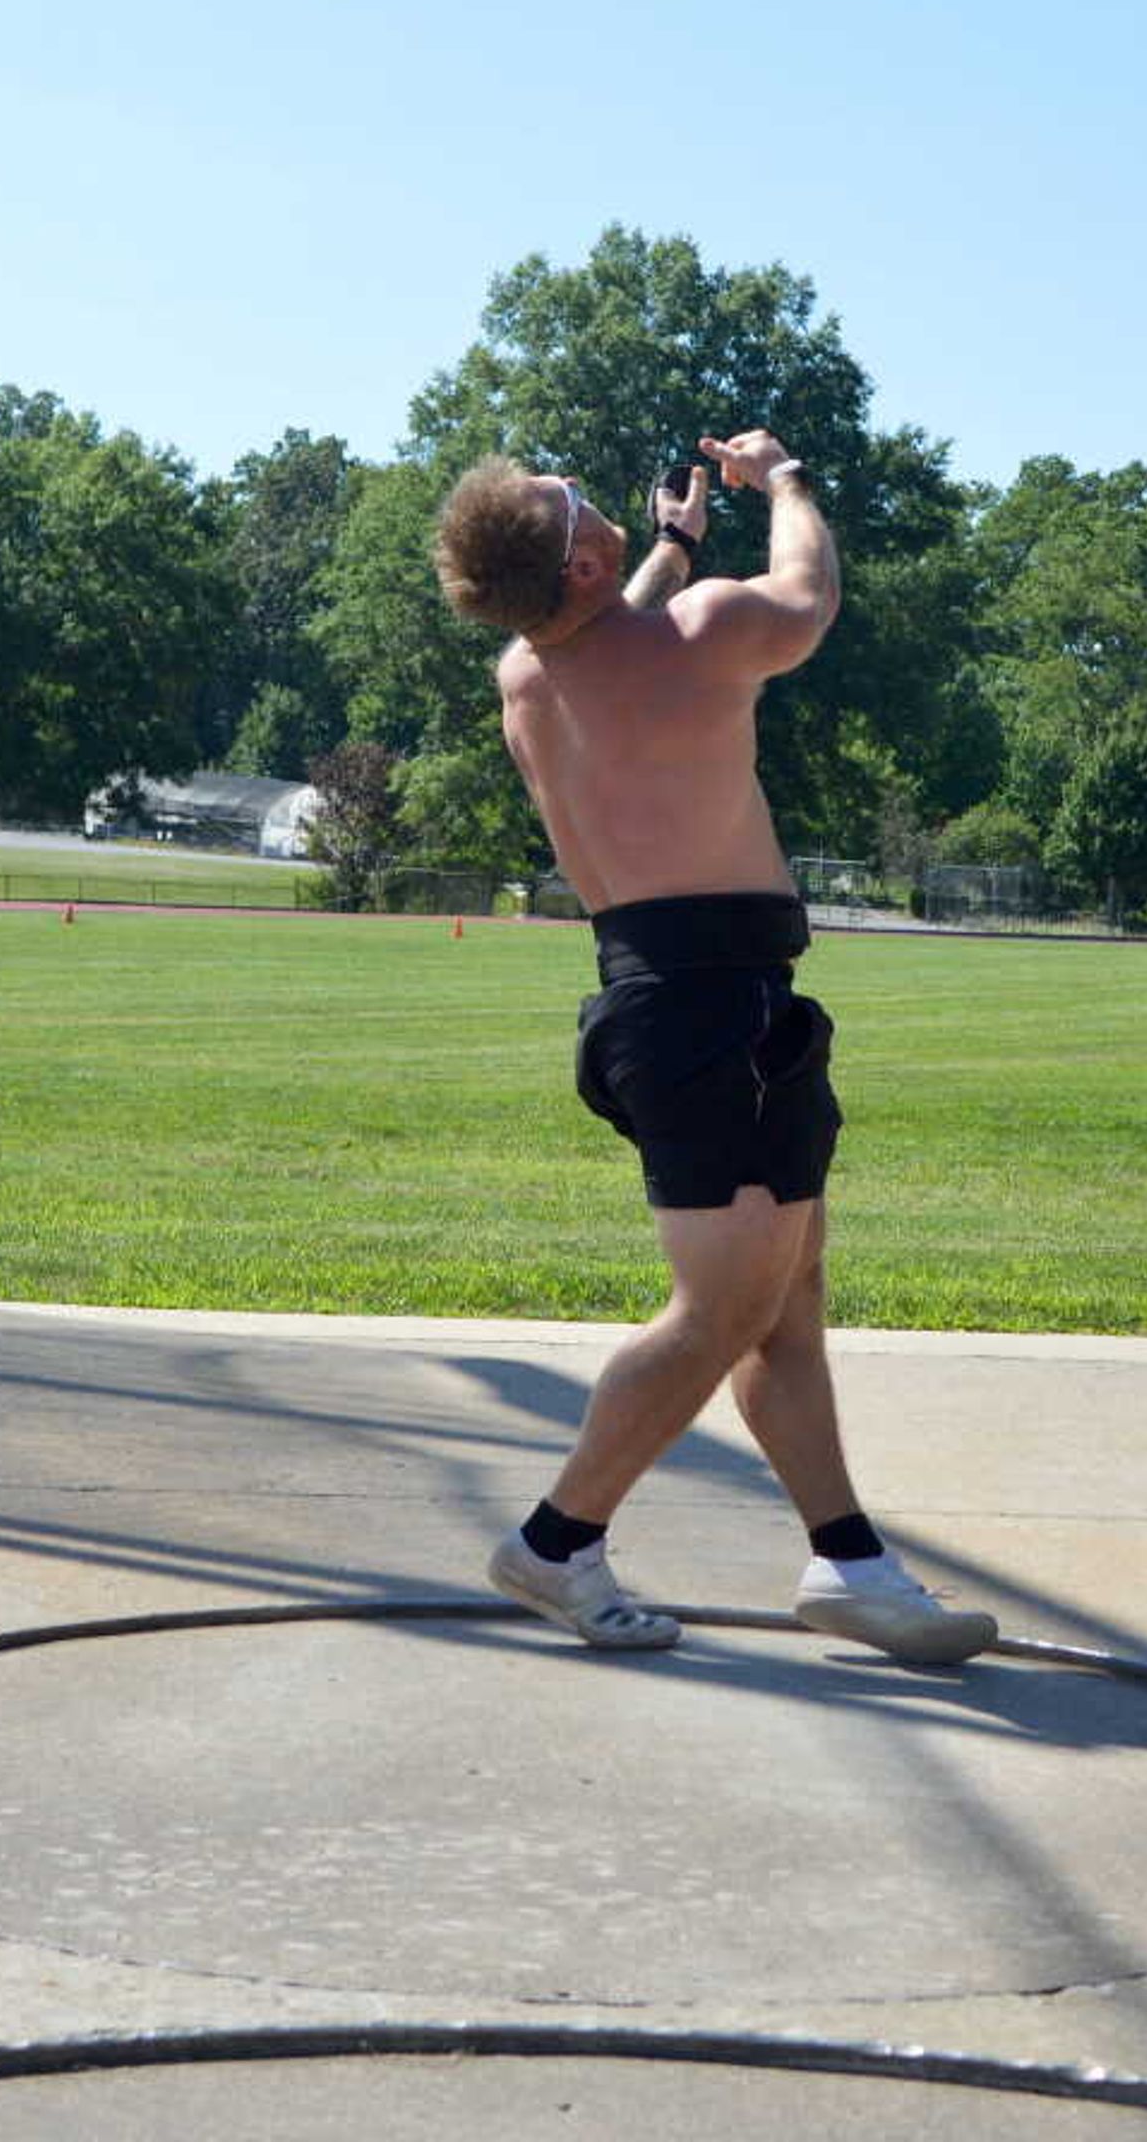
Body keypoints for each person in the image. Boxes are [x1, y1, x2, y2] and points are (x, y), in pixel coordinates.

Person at [428, 428, 995, 1666]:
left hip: (678, 1000)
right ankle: (555, 1539)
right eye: (575, 504)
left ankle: (850, 1565)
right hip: (712, 1015)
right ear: (578, 567)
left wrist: (675, 542)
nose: (587, 497)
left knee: (783, 1307)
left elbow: (608, 627)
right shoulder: (712, 631)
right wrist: (782, 483)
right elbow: (813, 595)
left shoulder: (531, 672)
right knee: (721, 1308)